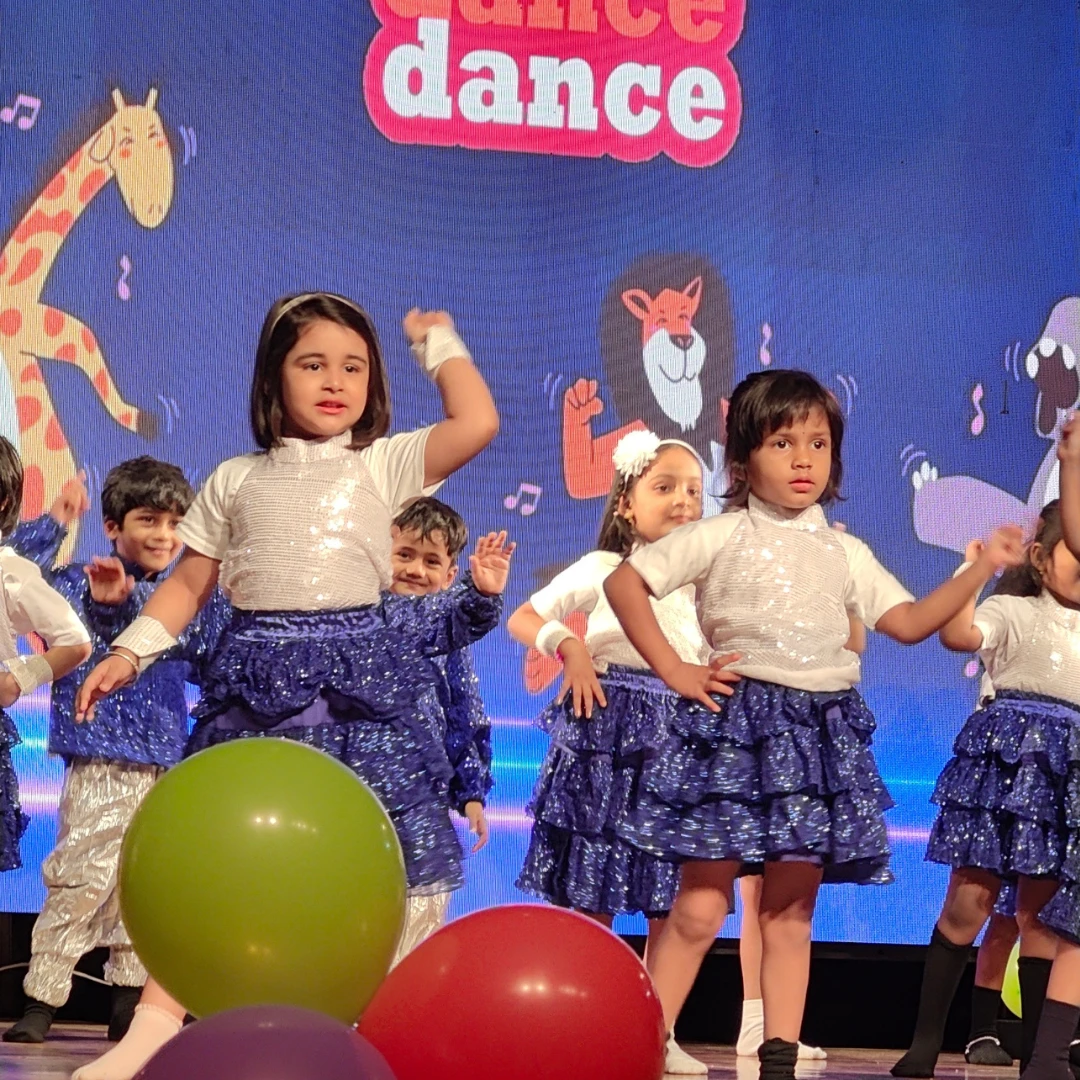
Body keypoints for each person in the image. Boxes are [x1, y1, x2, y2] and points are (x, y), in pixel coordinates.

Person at [69, 292, 502, 1080]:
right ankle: (154, 1029)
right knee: (224, 855)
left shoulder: (380, 464)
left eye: (354, 367)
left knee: (375, 861)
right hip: (256, 684)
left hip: (359, 690)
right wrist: (129, 651)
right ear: (273, 377)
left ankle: (371, 1030)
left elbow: (475, 422)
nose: (335, 381)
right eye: (313, 364)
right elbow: (188, 585)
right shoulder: (235, 479)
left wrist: (438, 342)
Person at [603, 369, 1024, 1080]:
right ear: (742, 460)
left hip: (816, 736)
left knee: (790, 912)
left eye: (818, 444)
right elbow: (625, 583)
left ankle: (778, 1057)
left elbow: (907, 622)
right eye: (782, 443)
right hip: (737, 728)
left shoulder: (844, 552)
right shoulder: (720, 533)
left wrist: (976, 570)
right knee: (701, 905)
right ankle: (639, 1048)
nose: (803, 459)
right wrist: (676, 670)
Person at [508, 429, 725, 1075]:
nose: (683, 501)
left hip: (680, 732)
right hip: (606, 728)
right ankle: (582, 1021)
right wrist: (569, 646)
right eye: (665, 487)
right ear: (627, 503)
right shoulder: (603, 568)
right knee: (592, 883)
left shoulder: (708, 580)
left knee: (671, 891)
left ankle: (657, 1028)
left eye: (694, 490)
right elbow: (524, 615)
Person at [2, 458, 231, 1046]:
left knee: (148, 884)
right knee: (81, 876)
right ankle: (41, 998)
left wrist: (136, 603)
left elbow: (198, 647)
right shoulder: (76, 581)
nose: (164, 535)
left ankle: (129, 999)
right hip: (100, 754)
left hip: (167, 761)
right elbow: (11, 571)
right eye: (148, 520)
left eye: (176, 523)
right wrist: (55, 522)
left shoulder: (187, 597)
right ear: (112, 526)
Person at [386, 495, 495, 962]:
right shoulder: (361, 617)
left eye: (431, 561)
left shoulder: (449, 634)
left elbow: (463, 711)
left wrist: (471, 792)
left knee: (421, 902)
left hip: (422, 791)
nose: (415, 569)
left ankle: (402, 989)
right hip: (359, 781)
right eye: (404, 554)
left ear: (451, 576)